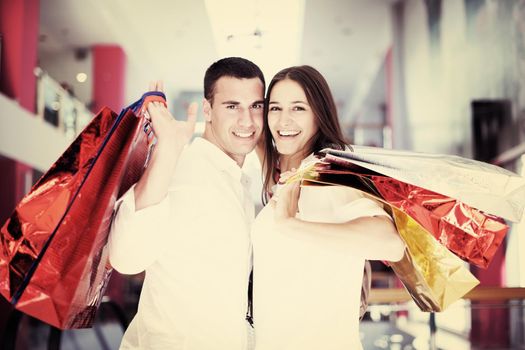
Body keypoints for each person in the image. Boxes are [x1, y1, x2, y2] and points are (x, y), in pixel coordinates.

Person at [108, 57, 265, 349]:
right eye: (232, 107)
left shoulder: (237, 180)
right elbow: (126, 258)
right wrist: (168, 149)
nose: (247, 120)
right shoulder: (178, 165)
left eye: (256, 106)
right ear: (207, 109)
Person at [251, 65, 405, 350]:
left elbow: (390, 245)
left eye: (298, 108)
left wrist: (290, 224)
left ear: (318, 115)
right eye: (275, 108)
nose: (284, 120)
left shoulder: (330, 175)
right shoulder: (289, 176)